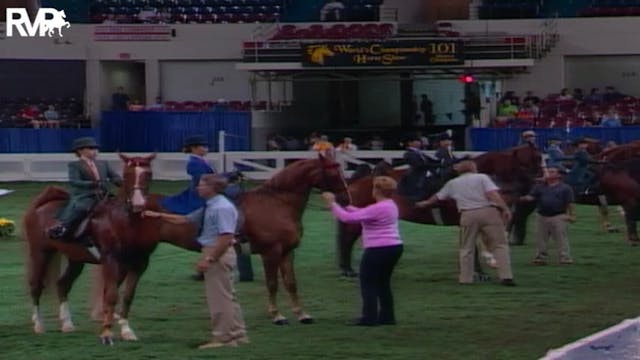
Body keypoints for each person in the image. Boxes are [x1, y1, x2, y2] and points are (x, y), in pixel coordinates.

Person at [143, 175, 248, 348]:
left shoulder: (220, 208)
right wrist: (157, 215)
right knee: (228, 296)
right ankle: (237, 334)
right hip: (217, 251)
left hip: (217, 252)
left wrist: (209, 258)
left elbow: (226, 236)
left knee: (219, 298)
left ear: (212, 188)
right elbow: (185, 219)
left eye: (201, 185)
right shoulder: (211, 205)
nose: (197, 188)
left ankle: (223, 338)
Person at [415, 160, 516, 286]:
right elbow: (492, 194)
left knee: (466, 247)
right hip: (488, 211)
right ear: (474, 168)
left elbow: (438, 196)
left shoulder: (453, 183)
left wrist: (425, 202)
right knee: (499, 245)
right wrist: (505, 208)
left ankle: (465, 278)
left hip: (467, 214)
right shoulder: (482, 177)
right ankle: (506, 276)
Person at [321, 176, 403, 326]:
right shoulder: (390, 205)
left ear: (377, 190)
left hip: (377, 249)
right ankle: (387, 316)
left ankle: (369, 317)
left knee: (368, 283)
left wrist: (332, 204)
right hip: (393, 247)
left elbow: (347, 219)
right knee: (383, 283)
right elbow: (363, 212)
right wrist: (344, 205)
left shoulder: (378, 207)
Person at [47, 137, 122, 253]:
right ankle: (63, 227)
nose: (95, 151)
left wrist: (122, 182)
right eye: (91, 148)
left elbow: (114, 176)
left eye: (96, 148)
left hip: (103, 194)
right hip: (85, 195)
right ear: (80, 151)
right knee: (82, 208)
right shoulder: (75, 165)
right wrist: (93, 184)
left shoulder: (103, 164)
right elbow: (74, 181)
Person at [520, 166, 576, 265]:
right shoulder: (539, 186)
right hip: (542, 215)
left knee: (561, 238)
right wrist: (519, 198)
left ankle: (565, 258)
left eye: (552, 172)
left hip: (558, 215)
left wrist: (572, 215)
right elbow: (531, 197)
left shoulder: (565, 188)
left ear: (558, 175)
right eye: (548, 172)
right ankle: (540, 258)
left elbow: (570, 203)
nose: (548, 174)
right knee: (540, 239)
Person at [162, 135, 215, 215]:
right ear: (194, 148)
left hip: (207, 188)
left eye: (207, 147)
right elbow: (204, 178)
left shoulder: (201, 161)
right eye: (203, 146)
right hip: (201, 192)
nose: (206, 149)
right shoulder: (194, 163)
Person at [398, 134, 440, 201]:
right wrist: (431, 165)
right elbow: (419, 165)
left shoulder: (421, 153)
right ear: (410, 143)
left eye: (419, 141)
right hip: (416, 175)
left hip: (423, 174)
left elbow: (432, 160)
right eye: (416, 141)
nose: (419, 143)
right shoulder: (409, 154)